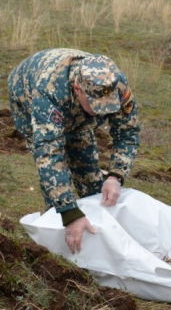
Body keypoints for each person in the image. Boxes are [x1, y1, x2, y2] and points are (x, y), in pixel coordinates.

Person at [8, 48, 140, 255]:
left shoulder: (116, 85)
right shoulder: (49, 90)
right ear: (78, 89)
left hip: (74, 111)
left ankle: (99, 237)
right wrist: (69, 212)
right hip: (26, 93)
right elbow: (49, 153)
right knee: (57, 192)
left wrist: (116, 176)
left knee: (91, 178)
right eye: (96, 105)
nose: (101, 112)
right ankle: (58, 240)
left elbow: (128, 133)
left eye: (107, 106)